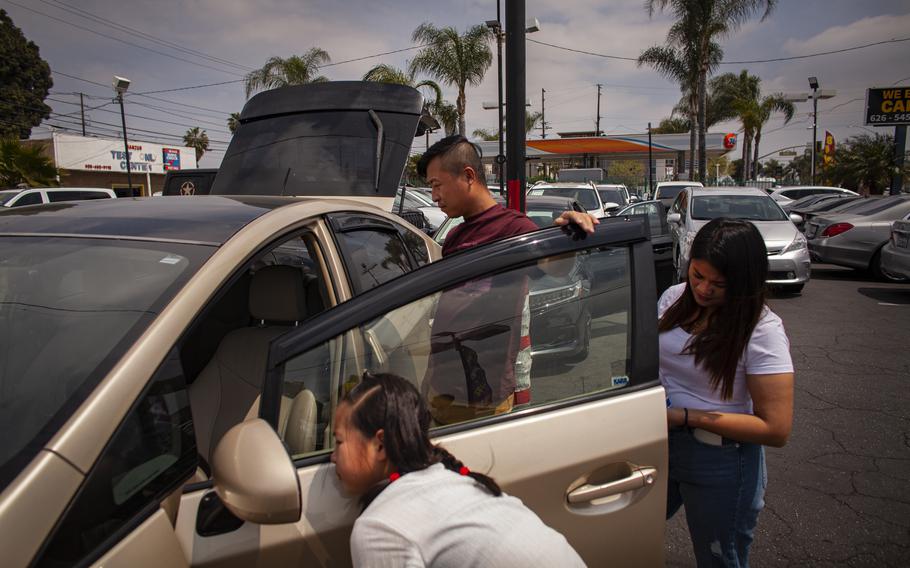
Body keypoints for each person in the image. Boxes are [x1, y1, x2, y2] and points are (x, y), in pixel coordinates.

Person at [416, 135, 595, 422]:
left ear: (468, 176)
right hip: (441, 386)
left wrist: (569, 234)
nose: (435, 196)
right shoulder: (455, 236)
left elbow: (556, 268)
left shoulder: (514, 229)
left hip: (482, 394)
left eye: (437, 185)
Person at [332, 371, 585, 567]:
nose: (332, 456)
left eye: (339, 441)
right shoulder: (447, 480)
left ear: (380, 445)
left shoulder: (380, 527)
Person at [658, 218, 794, 567]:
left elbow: (775, 429)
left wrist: (686, 416)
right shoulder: (675, 298)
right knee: (623, 529)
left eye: (718, 284)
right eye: (697, 275)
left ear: (744, 282)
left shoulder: (762, 330)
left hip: (720, 459)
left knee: (718, 556)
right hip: (660, 443)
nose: (703, 289)